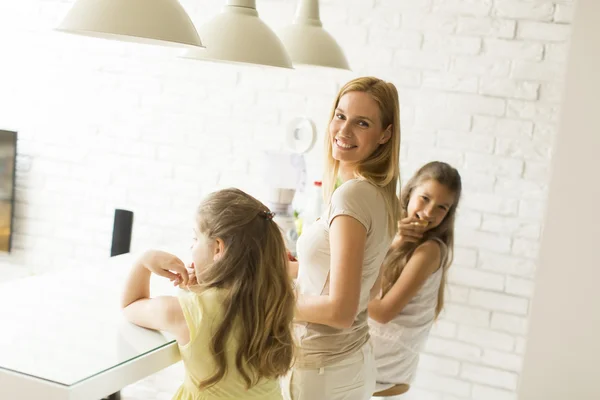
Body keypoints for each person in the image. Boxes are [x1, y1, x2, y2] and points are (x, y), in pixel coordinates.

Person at [283, 76, 401, 400]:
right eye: (340, 115)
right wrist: (290, 270)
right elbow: (368, 286)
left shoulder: (351, 197)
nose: (344, 131)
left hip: (321, 372)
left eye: (362, 123)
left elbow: (340, 311)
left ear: (385, 134)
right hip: (349, 363)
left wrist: (269, 302)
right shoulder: (381, 195)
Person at [121, 188, 296, 400]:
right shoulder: (275, 299)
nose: (191, 246)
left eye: (195, 238)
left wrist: (145, 261)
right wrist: (204, 289)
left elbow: (130, 306)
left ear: (218, 248)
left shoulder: (187, 311)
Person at [368, 161, 462, 392]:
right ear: (409, 194)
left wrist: (342, 289)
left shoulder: (430, 251)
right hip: (375, 356)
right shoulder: (393, 234)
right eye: (425, 198)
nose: (429, 212)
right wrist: (394, 242)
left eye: (442, 207)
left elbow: (382, 313)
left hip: (384, 368)